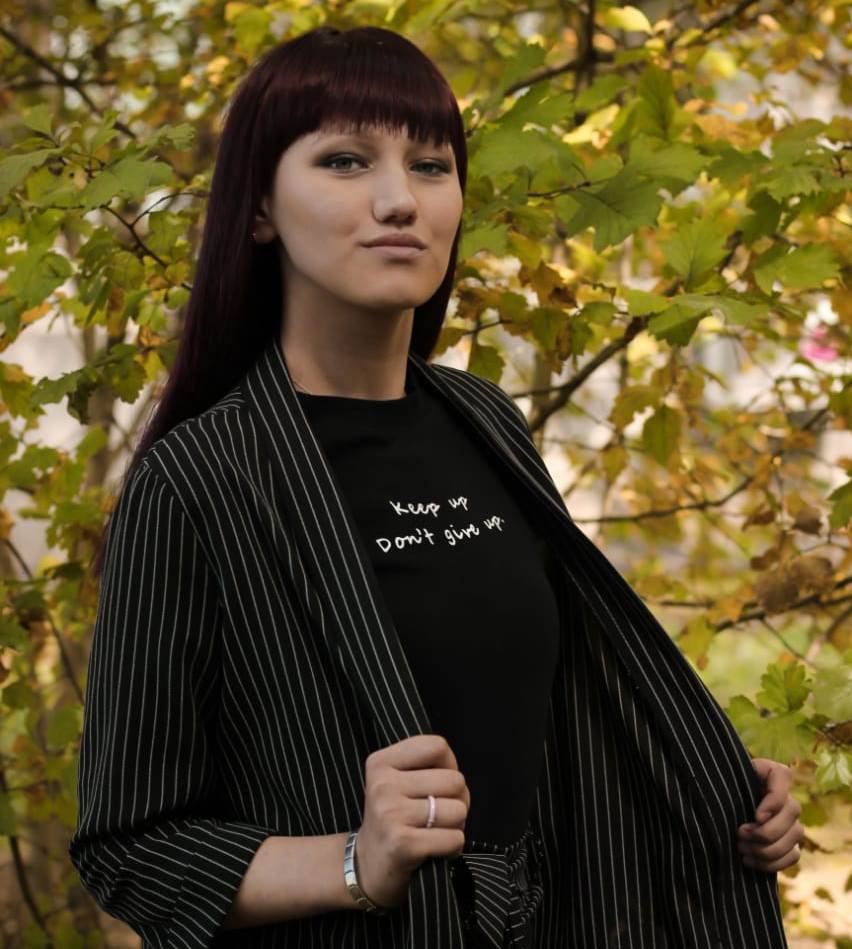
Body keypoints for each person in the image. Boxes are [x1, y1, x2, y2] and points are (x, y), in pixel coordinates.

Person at [68, 24, 804, 949]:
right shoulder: (200, 480)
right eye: (344, 160)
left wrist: (712, 788)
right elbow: (130, 845)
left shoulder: (485, 421)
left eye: (430, 165)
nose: (399, 200)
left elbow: (560, 729)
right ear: (258, 208)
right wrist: (352, 862)